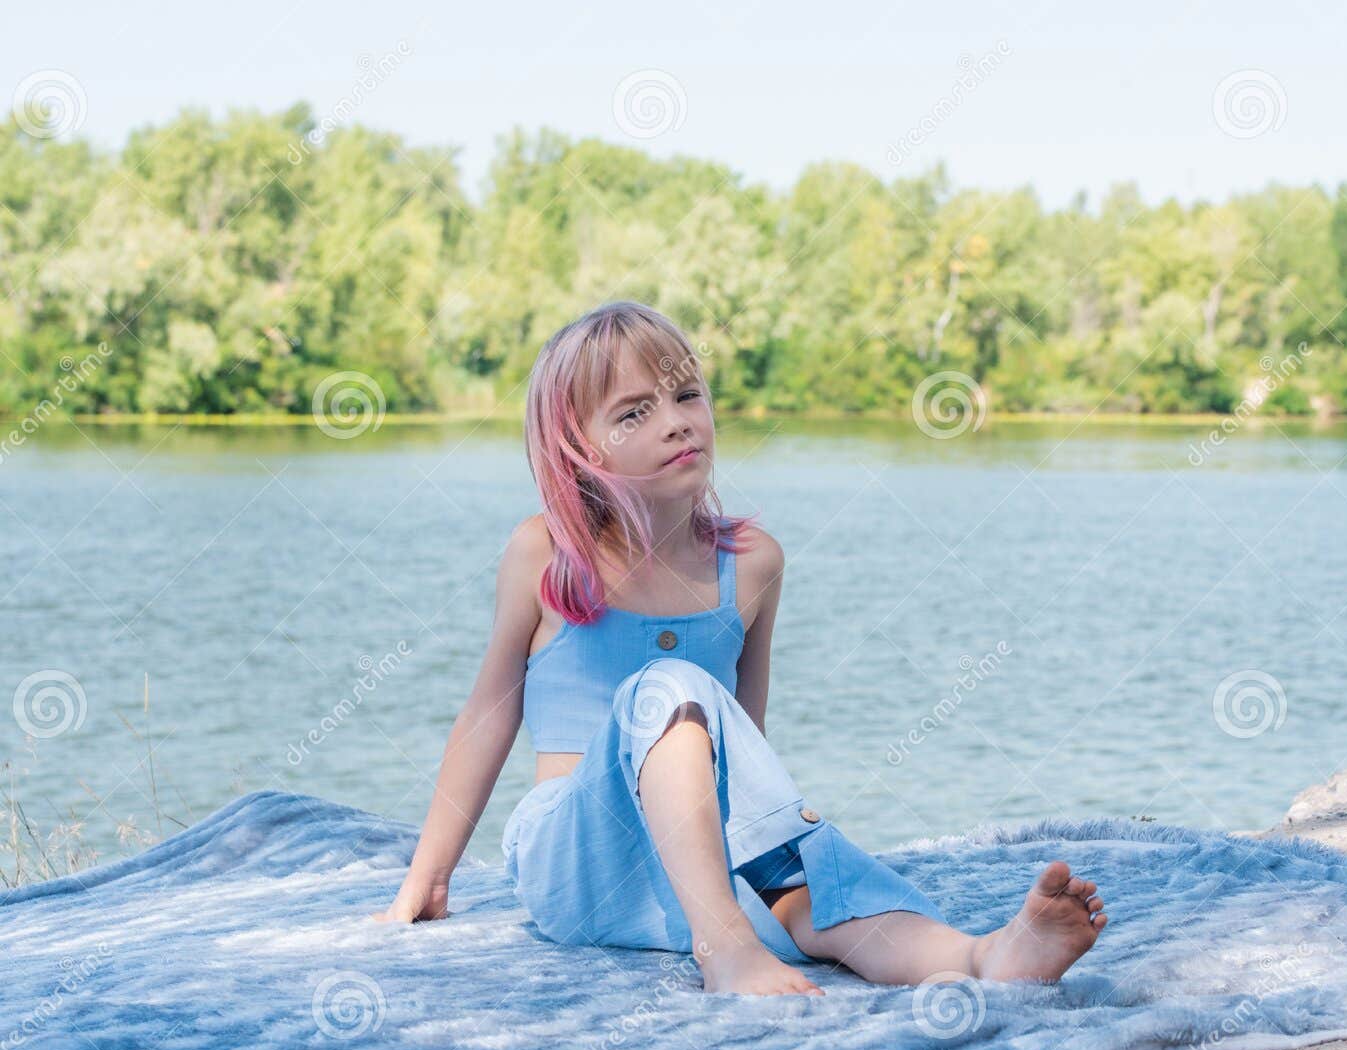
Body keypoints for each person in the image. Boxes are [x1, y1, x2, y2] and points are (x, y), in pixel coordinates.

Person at [376, 300, 1108, 996]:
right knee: (670, 685)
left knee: (810, 877)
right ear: (578, 447)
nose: (676, 423)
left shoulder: (754, 563)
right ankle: (726, 949)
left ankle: (984, 954)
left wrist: (780, 862)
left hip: (700, 848)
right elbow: (487, 715)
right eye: (634, 412)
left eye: (686, 395)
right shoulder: (544, 553)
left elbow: (743, 746)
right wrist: (429, 875)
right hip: (576, 858)